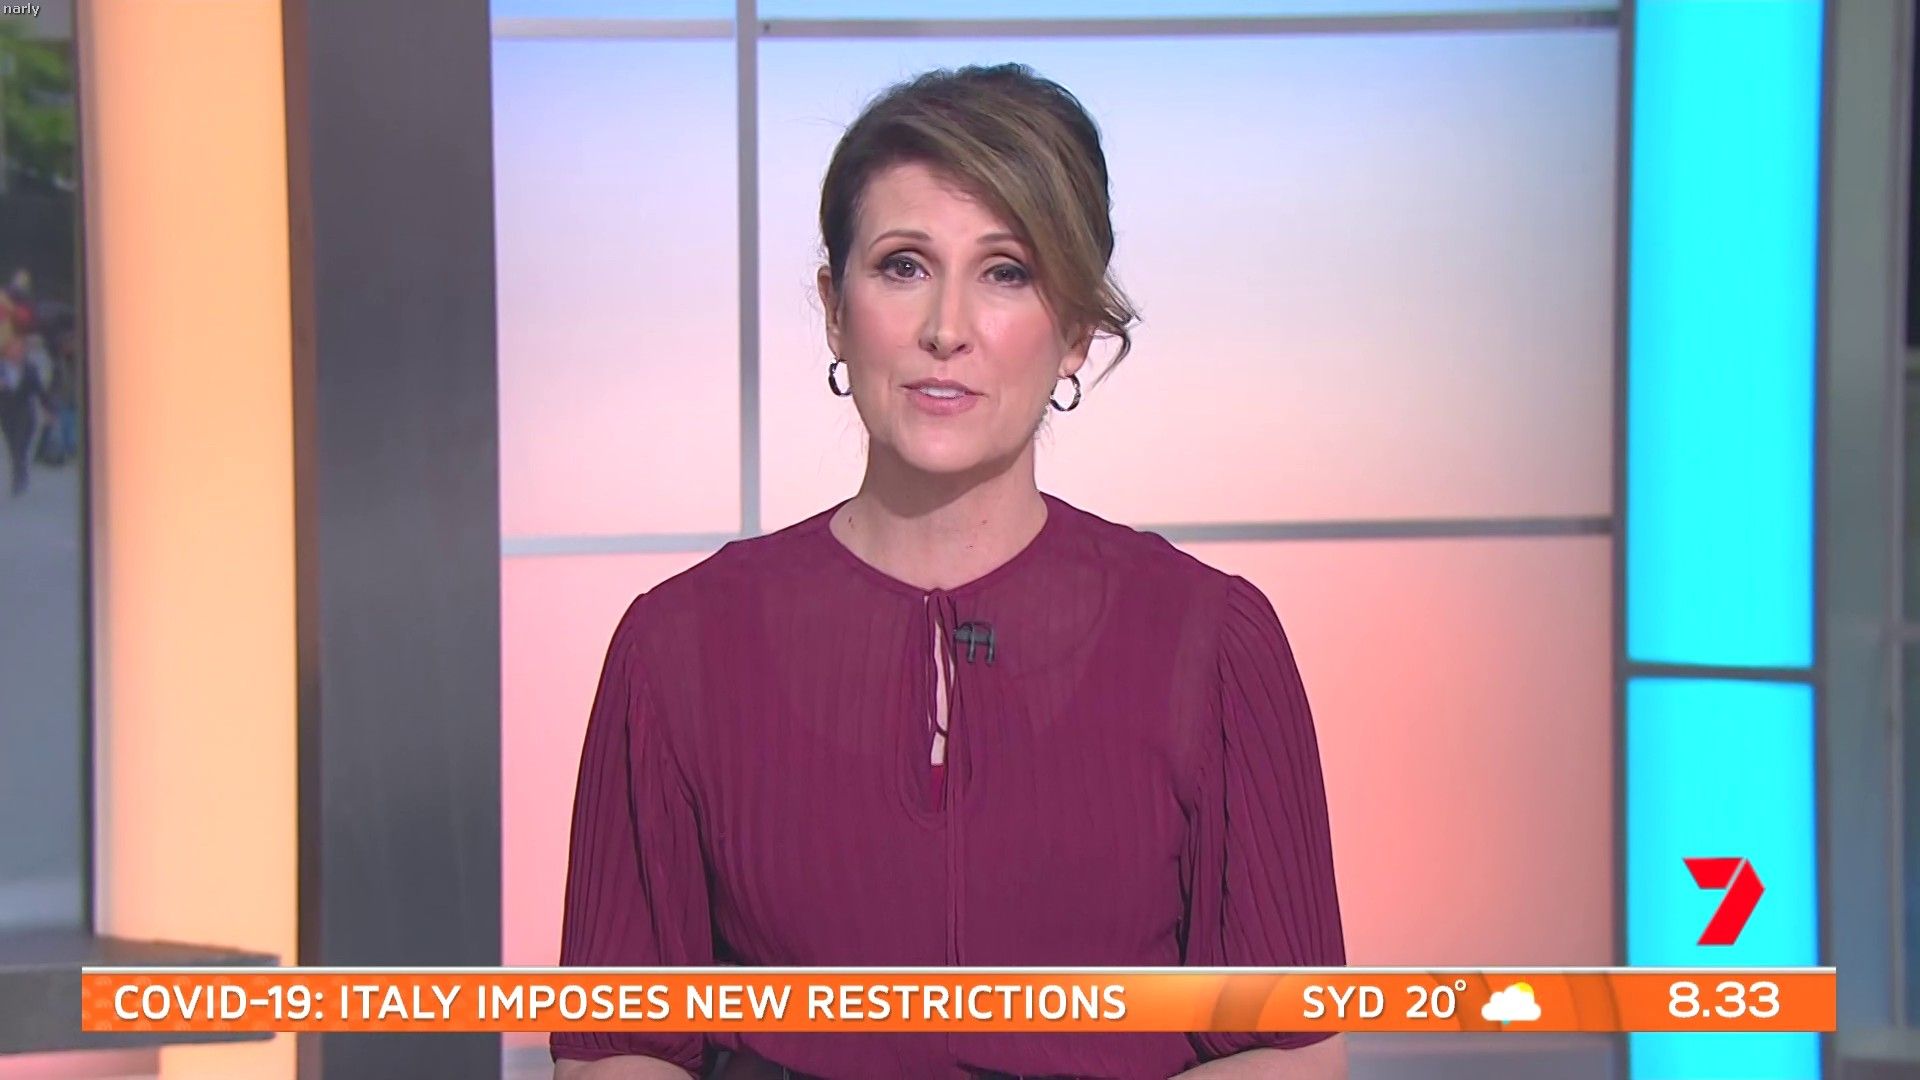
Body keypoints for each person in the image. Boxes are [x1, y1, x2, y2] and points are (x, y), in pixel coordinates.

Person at [552, 63, 1346, 1080]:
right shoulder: (677, 647)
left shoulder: (1213, 641)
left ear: (1076, 332)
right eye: (903, 266)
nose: (946, 329)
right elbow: (617, 1049)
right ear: (835, 310)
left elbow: (1289, 1050)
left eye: (1006, 272)